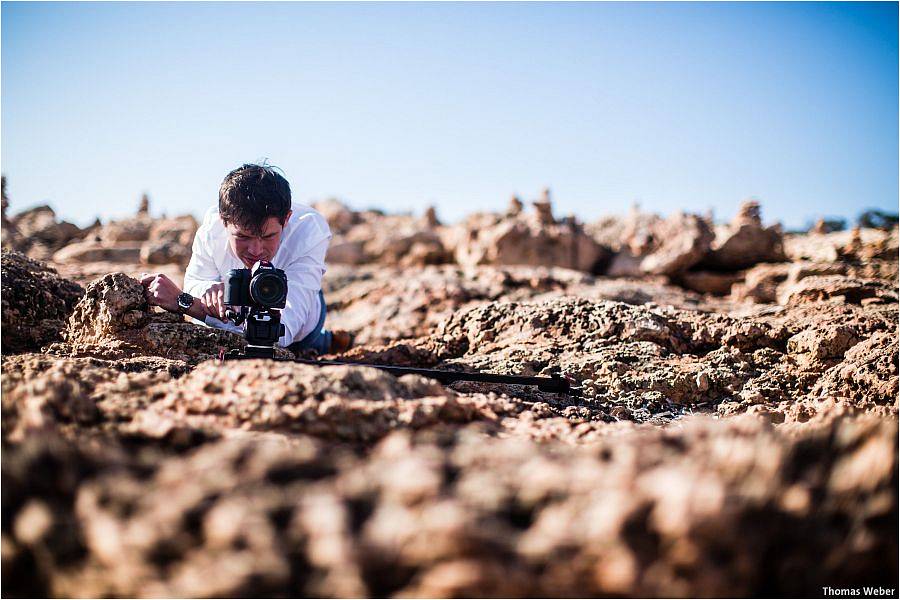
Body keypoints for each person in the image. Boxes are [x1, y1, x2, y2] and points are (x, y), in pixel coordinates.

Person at [141, 163, 352, 355]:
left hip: (304, 323)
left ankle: (329, 340)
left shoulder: (309, 230)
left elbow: (284, 334)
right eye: (243, 236)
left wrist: (185, 303)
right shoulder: (211, 231)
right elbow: (196, 283)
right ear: (224, 221)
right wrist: (209, 292)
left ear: (286, 219)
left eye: (268, 236)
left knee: (309, 344)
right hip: (240, 316)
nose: (256, 250)